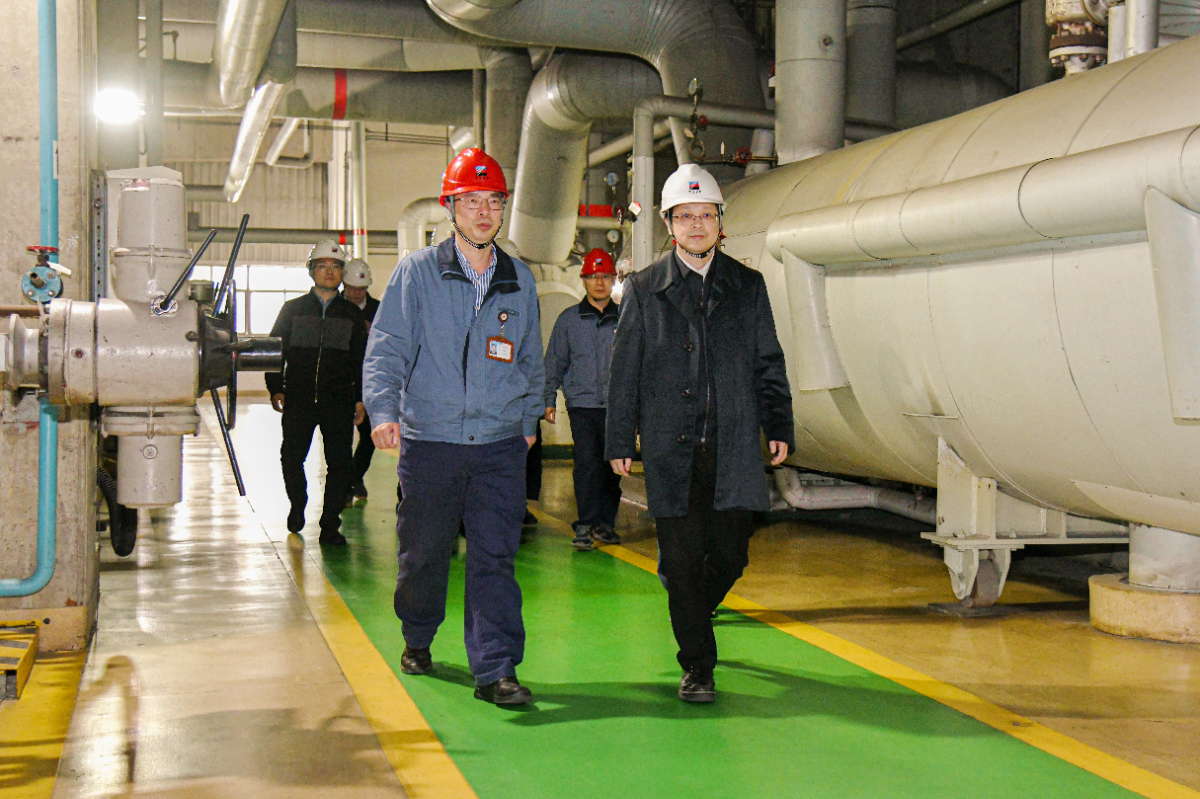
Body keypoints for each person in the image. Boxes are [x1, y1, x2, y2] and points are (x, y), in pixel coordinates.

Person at [605, 163, 794, 703]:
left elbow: (768, 360)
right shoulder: (644, 289)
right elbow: (624, 372)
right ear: (669, 224)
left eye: (705, 215)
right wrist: (619, 440)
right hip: (671, 450)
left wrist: (779, 422)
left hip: (732, 446)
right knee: (684, 561)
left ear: (719, 222)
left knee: (732, 556)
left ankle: (691, 607)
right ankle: (698, 665)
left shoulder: (747, 286)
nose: (696, 225)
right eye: (685, 216)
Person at [363, 148, 544, 706]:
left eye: (493, 202)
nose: (484, 213)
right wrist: (383, 411)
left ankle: (496, 668)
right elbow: (387, 348)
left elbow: (530, 359)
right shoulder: (417, 273)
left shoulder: (519, 279)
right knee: (424, 554)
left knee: (495, 557)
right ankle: (418, 635)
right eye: (471, 202)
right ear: (450, 207)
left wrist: (529, 418)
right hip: (433, 443)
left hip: (499, 445)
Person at [266, 241, 367, 546]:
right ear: (311, 271)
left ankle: (330, 525)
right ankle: (298, 504)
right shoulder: (293, 310)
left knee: (340, 464)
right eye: (322, 266)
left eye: (335, 267)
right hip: (298, 398)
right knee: (291, 457)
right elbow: (275, 351)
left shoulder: (350, 315)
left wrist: (360, 397)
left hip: (338, 400)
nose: (329, 272)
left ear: (342, 273)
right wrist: (276, 387)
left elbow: (361, 360)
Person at [543, 248, 622, 551]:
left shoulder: (625, 318)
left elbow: (636, 364)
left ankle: (606, 523)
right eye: (593, 277)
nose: (599, 283)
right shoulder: (569, 321)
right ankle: (586, 524)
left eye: (605, 277)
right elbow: (555, 362)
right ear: (584, 280)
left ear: (613, 279)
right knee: (587, 465)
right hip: (582, 406)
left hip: (616, 407)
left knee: (614, 467)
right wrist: (549, 398)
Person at [341, 258, 380, 505]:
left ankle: (354, 477)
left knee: (369, 435)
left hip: (371, 383)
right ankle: (347, 482)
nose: (356, 293)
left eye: (361, 289)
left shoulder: (379, 310)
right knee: (342, 438)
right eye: (352, 288)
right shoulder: (335, 310)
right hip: (342, 382)